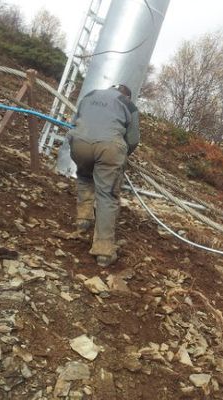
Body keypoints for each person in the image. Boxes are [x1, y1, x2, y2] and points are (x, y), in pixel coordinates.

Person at [68, 84, 140, 267]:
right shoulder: (128, 104)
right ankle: (103, 250)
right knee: (107, 196)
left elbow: (74, 120)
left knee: (84, 177)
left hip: (79, 143)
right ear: (128, 96)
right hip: (109, 148)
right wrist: (122, 156)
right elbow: (133, 139)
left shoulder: (91, 93)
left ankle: (83, 219)